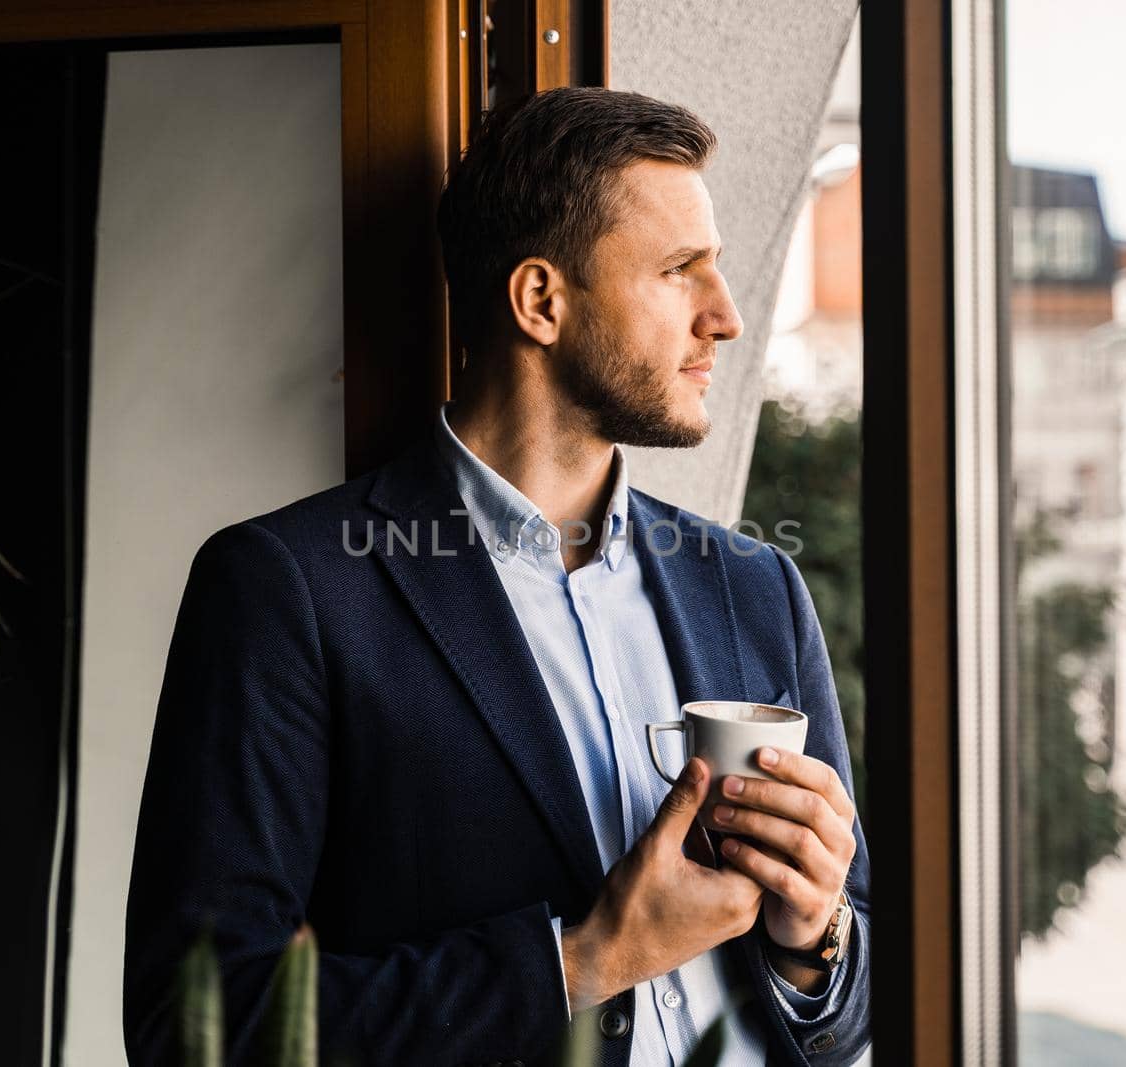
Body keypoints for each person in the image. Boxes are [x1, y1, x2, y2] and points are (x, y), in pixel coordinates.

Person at [122, 87, 871, 1066]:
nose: (724, 317)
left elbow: (849, 1003)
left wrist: (815, 939)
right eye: (679, 270)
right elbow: (197, 1025)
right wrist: (584, 959)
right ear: (539, 300)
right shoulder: (286, 588)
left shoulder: (755, 586)